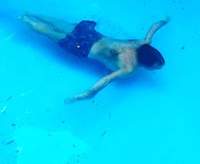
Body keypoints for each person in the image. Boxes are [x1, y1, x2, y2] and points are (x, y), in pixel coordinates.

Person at [21, 13, 169, 102]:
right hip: (83, 48)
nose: (155, 69)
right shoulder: (129, 68)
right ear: (147, 63)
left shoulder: (142, 43)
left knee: (56, 23)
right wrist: (89, 94)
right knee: (49, 32)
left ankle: (29, 12)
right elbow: (106, 79)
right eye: (156, 66)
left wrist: (165, 20)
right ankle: (26, 20)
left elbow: (155, 26)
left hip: (90, 34)